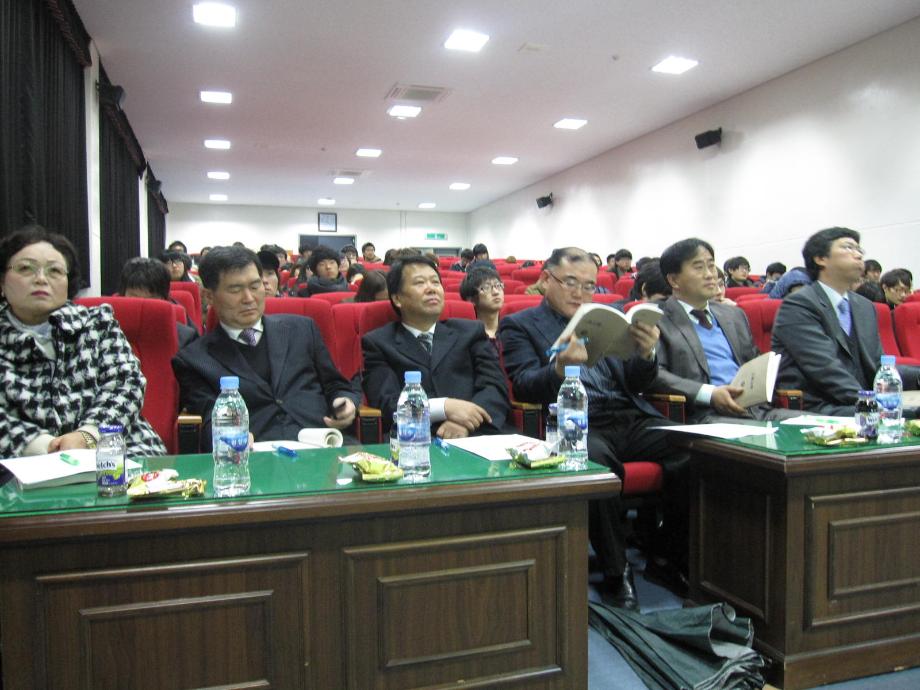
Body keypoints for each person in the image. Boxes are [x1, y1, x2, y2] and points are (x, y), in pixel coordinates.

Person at [499, 247, 689, 609]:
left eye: (589, 286)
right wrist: (558, 369)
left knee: (689, 448)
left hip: (627, 413)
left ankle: (666, 555)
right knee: (596, 462)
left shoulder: (608, 319)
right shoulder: (520, 325)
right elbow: (523, 386)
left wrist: (646, 354)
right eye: (570, 282)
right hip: (576, 422)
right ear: (545, 280)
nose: (580, 293)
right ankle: (617, 572)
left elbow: (637, 383)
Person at [0, 226, 166, 459]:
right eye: (26, 268)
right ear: (2, 281)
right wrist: (46, 446)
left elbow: (126, 383)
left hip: (116, 444)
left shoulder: (97, 322)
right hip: (20, 458)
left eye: (54, 270)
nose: (41, 279)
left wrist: (88, 436)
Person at [172, 246, 359, 448]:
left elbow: (335, 384)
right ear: (209, 296)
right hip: (256, 454)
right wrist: (229, 436)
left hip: (323, 446)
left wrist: (345, 401)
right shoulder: (195, 360)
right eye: (235, 290)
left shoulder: (302, 329)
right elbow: (209, 415)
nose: (249, 298)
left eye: (255, 286)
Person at [772, 227, 919, 415]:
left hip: (861, 404)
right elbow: (825, 371)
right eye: (848, 248)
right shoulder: (798, 306)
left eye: (859, 250)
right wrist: (879, 405)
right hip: (820, 409)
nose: (858, 255)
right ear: (820, 258)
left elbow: (878, 366)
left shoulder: (864, 306)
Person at [362, 256, 511, 439]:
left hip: (479, 434)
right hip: (415, 440)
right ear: (397, 298)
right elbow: (388, 403)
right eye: (419, 283)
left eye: (435, 282)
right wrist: (443, 407)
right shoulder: (378, 343)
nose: (431, 288)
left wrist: (465, 424)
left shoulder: (470, 331)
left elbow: (494, 386)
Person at [652, 238, 798, 423]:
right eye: (699, 267)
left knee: (824, 428)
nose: (710, 275)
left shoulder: (734, 315)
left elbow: (754, 362)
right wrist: (710, 394)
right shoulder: (657, 319)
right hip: (708, 416)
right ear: (674, 280)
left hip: (757, 410)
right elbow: (655, 374)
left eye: (711, 266)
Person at [119, 257, 198, 348]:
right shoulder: (109, 329)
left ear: (164, 299)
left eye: (151, 300)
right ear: (122, 295)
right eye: (135, 299)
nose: (142, 307)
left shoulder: (186, 337)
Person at [459, 266, 505, 346]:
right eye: (486, 287)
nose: (496, 292)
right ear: (471, 299)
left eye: (498, 286)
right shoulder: (465, 338)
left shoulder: (512, 331)